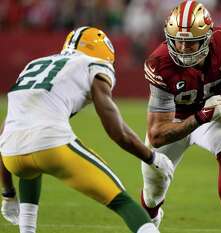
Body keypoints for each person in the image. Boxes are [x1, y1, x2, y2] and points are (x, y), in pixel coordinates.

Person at [0, 26, 175, 233]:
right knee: (123, 202)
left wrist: (8, 193)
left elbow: (7, 132)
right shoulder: (92, 64)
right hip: (52, 147)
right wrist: (151, 158)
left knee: (29, 169)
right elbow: (115, 130)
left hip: (11, 155)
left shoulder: (33, 65)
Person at [139, 1, 221, 233]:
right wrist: (200, 116)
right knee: (152, 190)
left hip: (214, 112)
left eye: (190, 43)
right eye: (177, 41)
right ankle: (152, 218)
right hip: (176, 121)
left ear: (208, 38)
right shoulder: (159, 63)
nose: (181, 48)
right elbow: (157, 135)